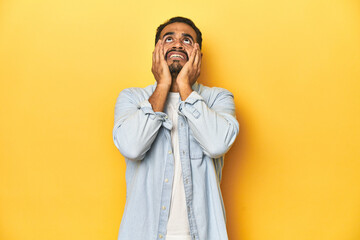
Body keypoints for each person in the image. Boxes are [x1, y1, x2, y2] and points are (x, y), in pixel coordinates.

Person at [113, 16, 239, 240]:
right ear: (156, 52)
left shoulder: (218, 98)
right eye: (168, 38)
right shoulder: (132, 98)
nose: (178, 44)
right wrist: (163, 85)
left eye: (187, 40)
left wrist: (184, 86)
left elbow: (216, 144)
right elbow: (132, 147)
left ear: (198, 55)